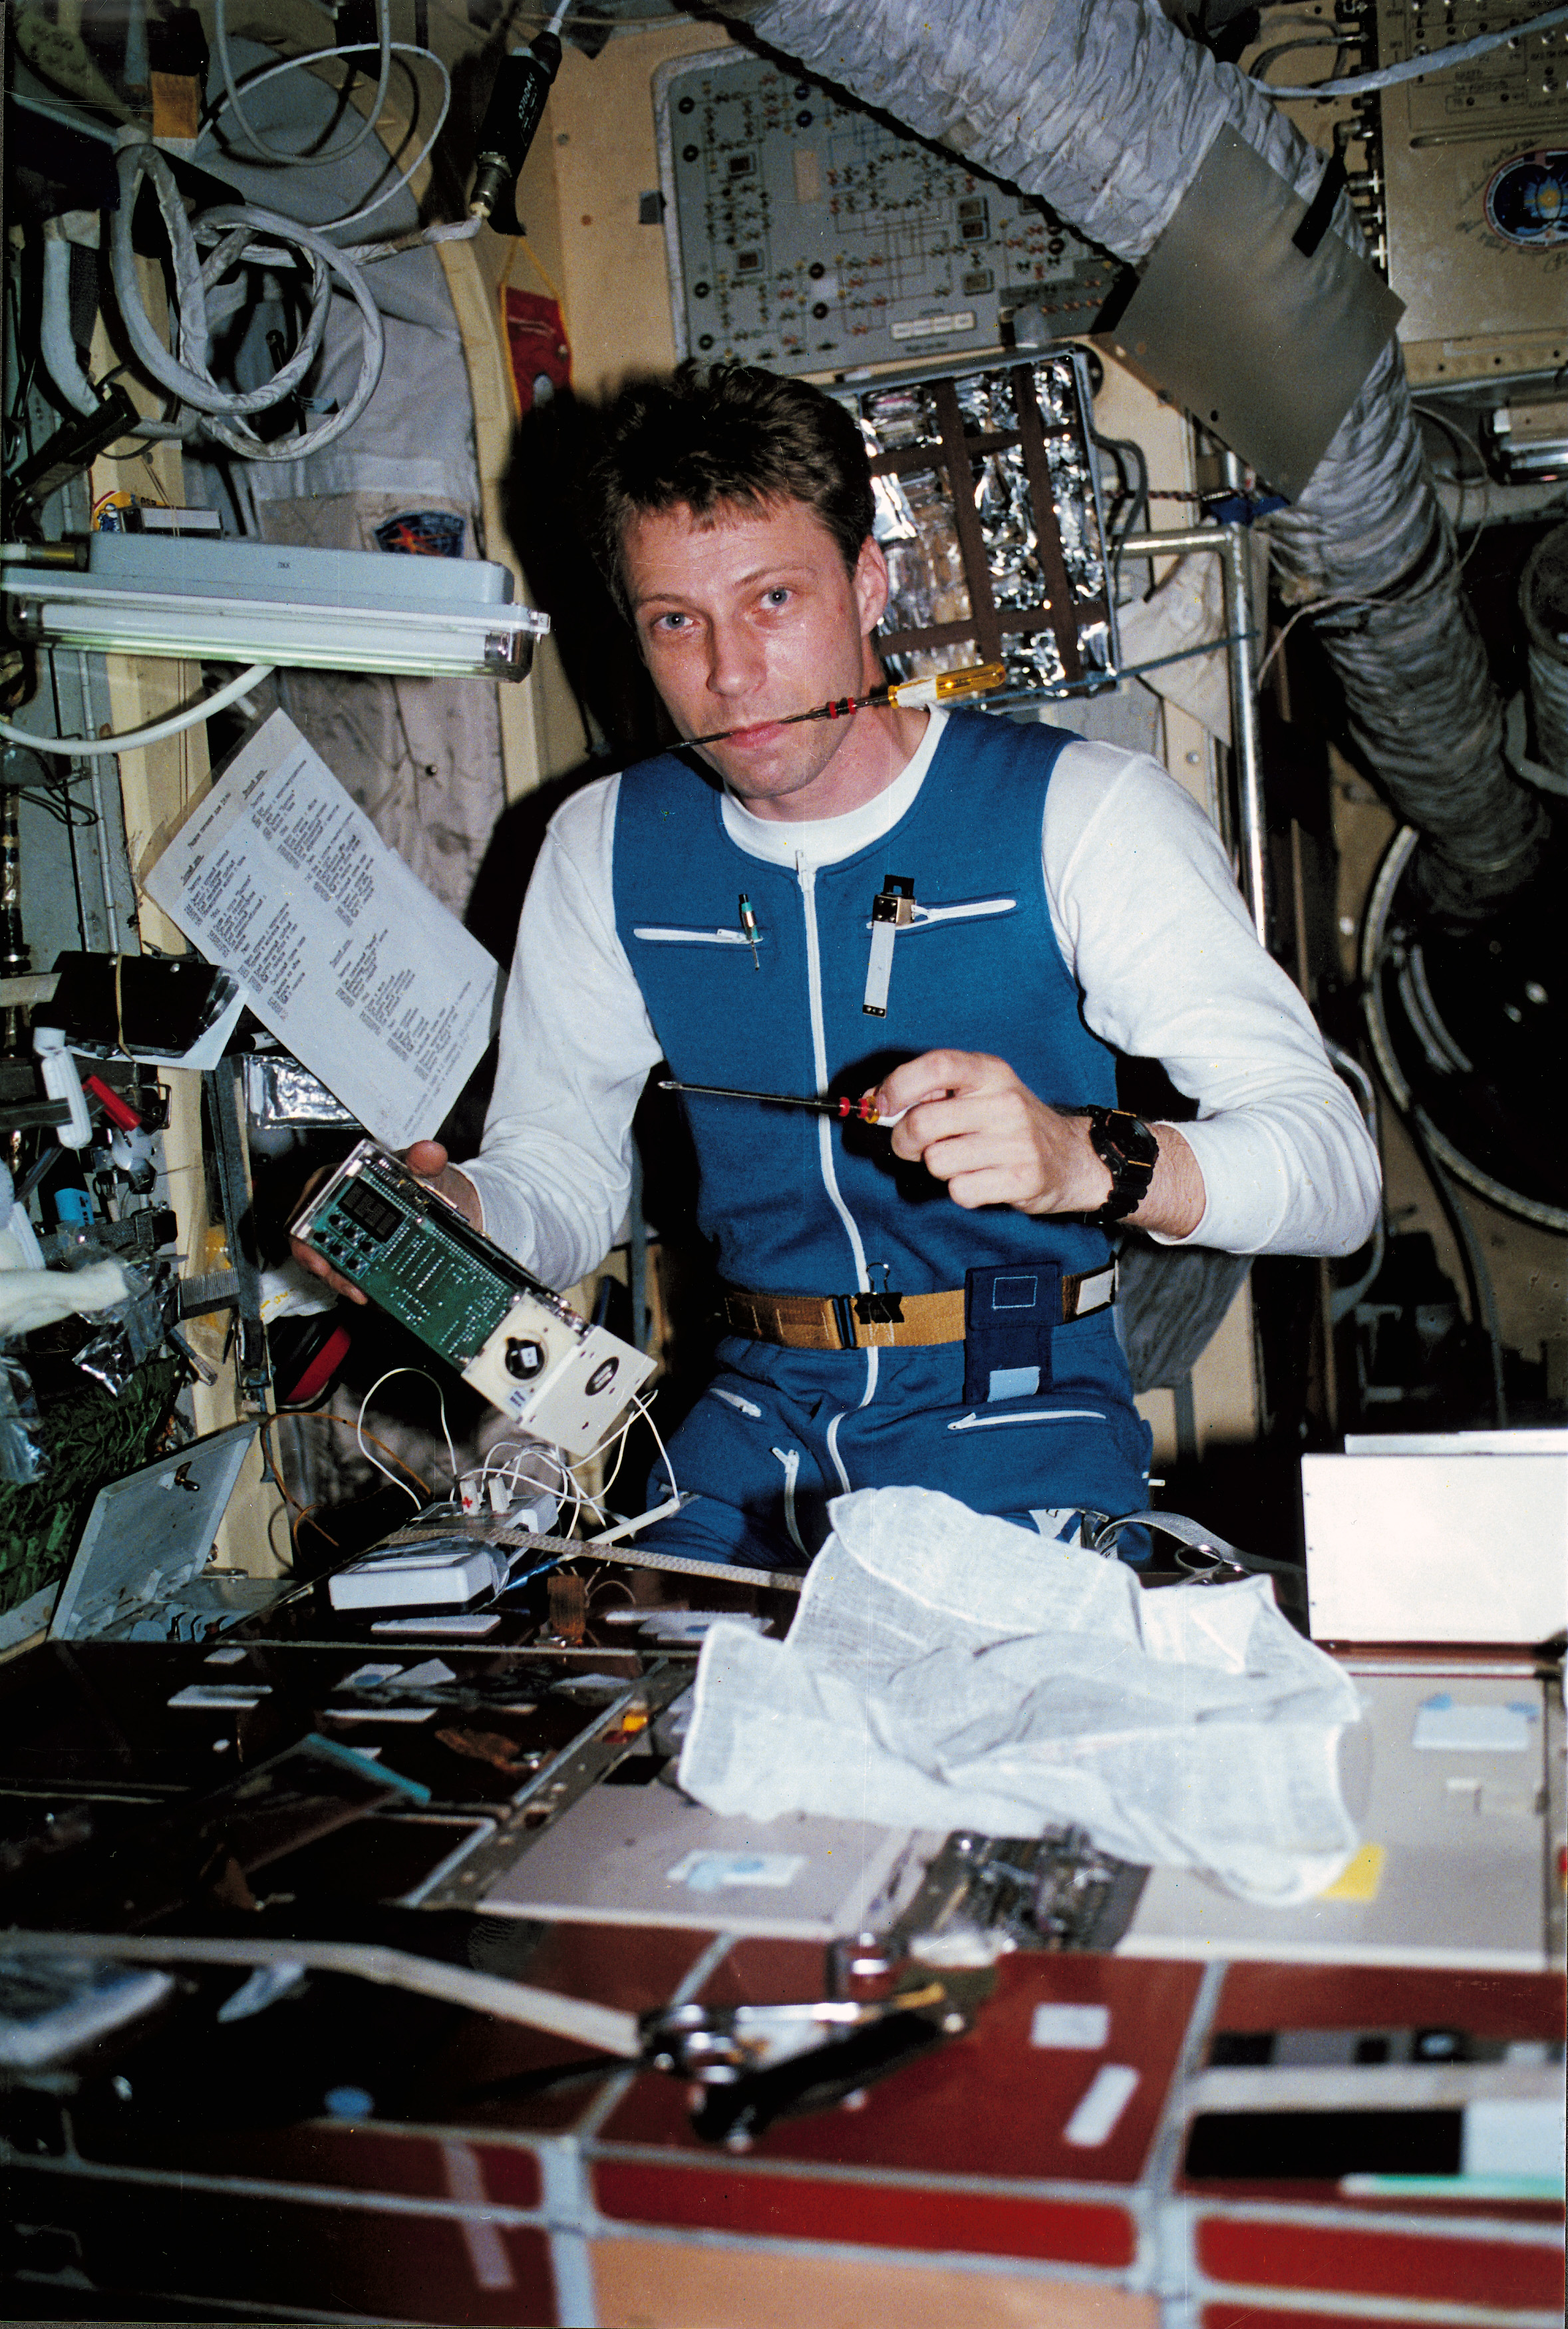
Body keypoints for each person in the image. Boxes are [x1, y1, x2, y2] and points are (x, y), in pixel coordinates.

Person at [295, 361, 1380, 1567]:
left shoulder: (1085, 814)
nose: (730, 674)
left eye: (772, 599)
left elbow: (1337, 1176)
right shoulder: (599, 846)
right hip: (748, 1424)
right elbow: (560, 1175)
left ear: (867, 582)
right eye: (675, 621)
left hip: (1017, 1409)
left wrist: (1088, 1161)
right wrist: (465, 1215)